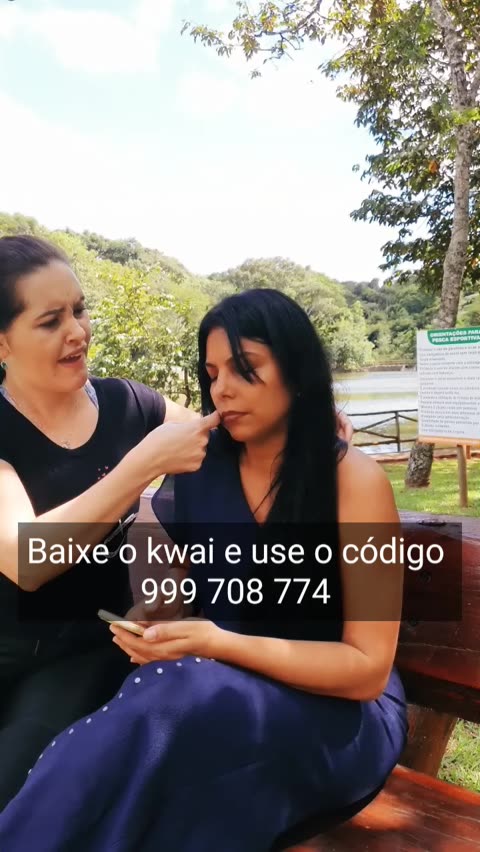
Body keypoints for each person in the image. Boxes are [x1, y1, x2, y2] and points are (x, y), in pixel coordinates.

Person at [0, 287, 408, 852]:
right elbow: (188, 588)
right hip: (216, 694)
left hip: (338, 716)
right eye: (212, 373)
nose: (222, 389)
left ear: (297, 371)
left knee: (177, 706)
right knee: (156, 706)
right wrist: (159, 614)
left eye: (245, 368)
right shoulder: (203, 468)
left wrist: (217, 644)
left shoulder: (354, 482)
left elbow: (366, 670)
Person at [0, 234, 222, 810]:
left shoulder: (129, 404)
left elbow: (224, 434)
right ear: (2, 342)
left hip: (93, 652)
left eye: (79, 310)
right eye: (50, 321)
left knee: (28, 789)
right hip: (11, 654)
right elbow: (26, 560)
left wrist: (307, 420)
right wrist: (140, 465)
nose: (77, 331)